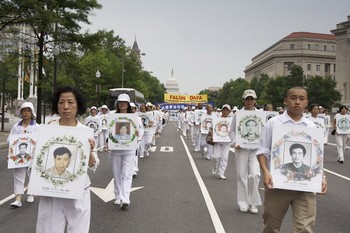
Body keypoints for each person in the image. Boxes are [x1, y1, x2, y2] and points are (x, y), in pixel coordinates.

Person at [256, 86, 328, 233]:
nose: (297, 102)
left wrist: (322, 177)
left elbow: (317, 156)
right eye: (293, 98)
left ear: (306, 103)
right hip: (277, 184)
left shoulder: (312, 127)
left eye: (301, 99)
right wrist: (266, 172)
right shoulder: (274, 123)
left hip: (305, 187)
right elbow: (263, 151)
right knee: (271, 226)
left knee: (305, 228)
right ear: (285, 101)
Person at [36, 86, 99, 233]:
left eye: (70, 102)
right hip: (51, 192)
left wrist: (89, 152)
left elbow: (93, 165)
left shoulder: (85, 132)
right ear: (56, 105)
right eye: (61, 102)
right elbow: (36, 159)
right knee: (48, 229)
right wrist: (34, 181)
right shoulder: (46, 131)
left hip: (78, 191)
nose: (65, 107)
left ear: (78, 105)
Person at [230, 89, 262, 214]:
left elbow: (264, 131)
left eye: (251, 99)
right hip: (241, 149)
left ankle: (253, 202)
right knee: (241, 175)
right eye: (247, 99)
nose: (249, 101)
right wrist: (234, 142)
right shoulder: (238, 114)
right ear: (243, 100)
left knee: (254, 175)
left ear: (255, 100)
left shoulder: (260, 114)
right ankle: (243, 202)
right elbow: (232, 131)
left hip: (255, 149)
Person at [109, 93, 139, 210]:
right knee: (117, 174)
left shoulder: (135, 117)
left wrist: (137, 133)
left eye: (124, 102)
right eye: (120, 102)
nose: (122, 104)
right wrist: (108, 142)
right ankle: (117, 195)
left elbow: (138, 131)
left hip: (129, 150)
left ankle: (125, 198)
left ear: (128, 104)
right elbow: (109, 133)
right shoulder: (112, 116)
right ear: (117, 104)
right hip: (115, 150)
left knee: (127, 174)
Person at [8, 102, 40, 208]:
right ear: (21, 112)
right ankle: (18, 199)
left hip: (32, 156)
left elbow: (40, 141)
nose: (26, 113)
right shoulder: (16, 127)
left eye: (28, 111)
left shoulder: (37, 127)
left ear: (32, 112)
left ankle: (31, 193)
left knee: (32, 175)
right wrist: (10, 154)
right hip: (18, 157)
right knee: (18, 177)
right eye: (24, 111)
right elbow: (11, 142)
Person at [212, 104, 232, 180]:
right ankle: (215, 166)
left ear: (229, 111)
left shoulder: (231, 120)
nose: (225, 111)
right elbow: (211, 128)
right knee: (215, 157)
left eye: (227, 110)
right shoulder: (217, 119)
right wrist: (212, 135)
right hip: (217, 141)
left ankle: (221, 173)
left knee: (224, 158)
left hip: (226, 142)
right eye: (224, 109)